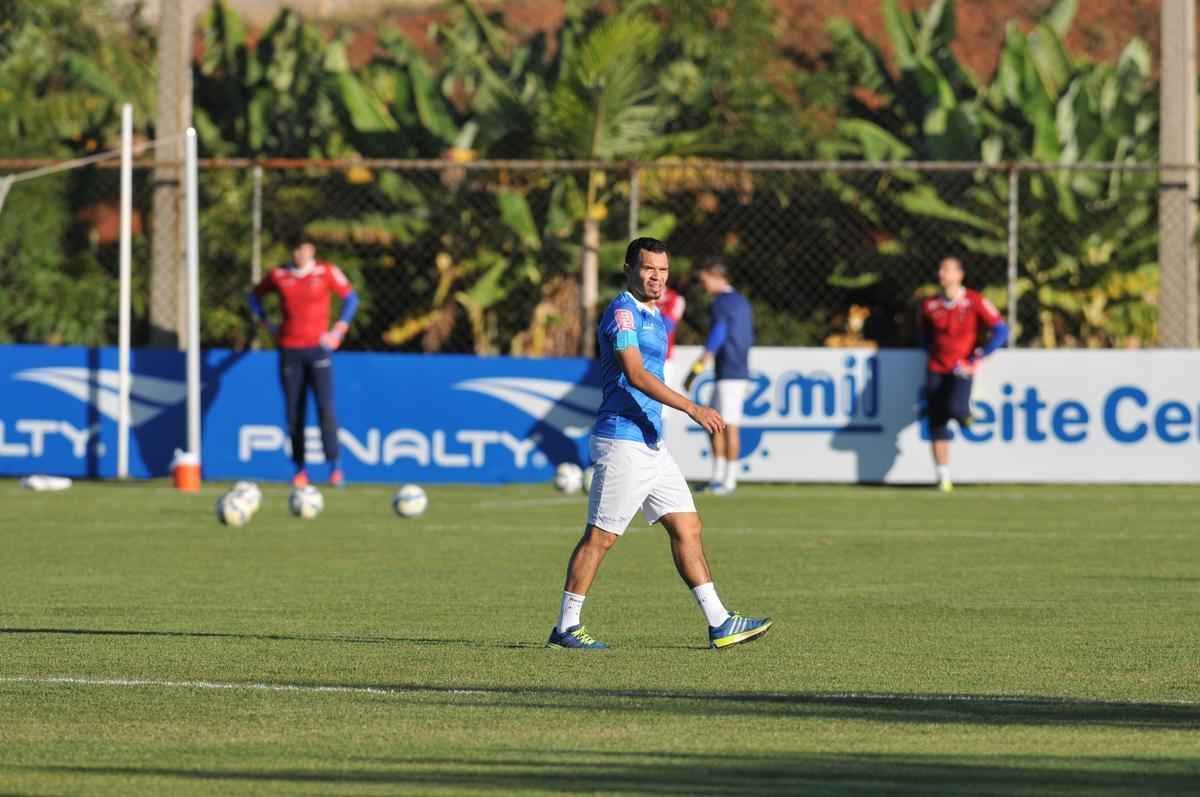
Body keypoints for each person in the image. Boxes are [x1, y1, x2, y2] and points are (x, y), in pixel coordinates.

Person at [546, 237, 772, 651]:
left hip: (651, 442)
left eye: (663, 270)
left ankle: (720, 621)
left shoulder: (654, 315)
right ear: (630, 267)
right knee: (601, 537)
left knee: (687, 525)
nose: (657, 277)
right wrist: (691, 407)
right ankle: (566, 627)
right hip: (622, 440)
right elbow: (634, 374)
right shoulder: (623, 314)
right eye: (649, 268)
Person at [249, 240, 359, 488]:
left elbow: (351, 299)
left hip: (319, 350)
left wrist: (338, 331)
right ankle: (300, 469)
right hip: (290, 350)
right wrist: (267, 324)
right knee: (294, 412)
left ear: (313, 251)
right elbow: (254, 297)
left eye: (306, 249)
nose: (301, 253)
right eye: (297, 248)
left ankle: (335, 467)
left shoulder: (326, 272)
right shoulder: (279, 275)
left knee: (325, 408)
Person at [919, 256, 1008, 492]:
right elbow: (926, 335)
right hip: (936, 368)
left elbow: (1000, 331)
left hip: (961, 367)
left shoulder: (975, 301)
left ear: (959, 275)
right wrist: (930, 353)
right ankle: (943, 476)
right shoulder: (929, 305)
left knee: (956, 410)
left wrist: (978, 357)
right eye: (940, 269)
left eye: (947, 269)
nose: (942, 274)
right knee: (936, 421)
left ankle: (967, 414)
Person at [683, 258, 754, 495]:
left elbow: (719, 333)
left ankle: (729, 480)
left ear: (715, 276)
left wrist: (698, 366)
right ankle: (717, 478)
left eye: (704, 280)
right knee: (714, 424)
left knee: (729, 426)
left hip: (730, 374)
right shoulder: (740, 301)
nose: (703, 285)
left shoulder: (722, 302)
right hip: (732, 371)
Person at [656, 284, 686, 387]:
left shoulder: (676, 298)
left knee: (663, 397)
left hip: (664, 358)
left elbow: (668, 326)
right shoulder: (637, 297)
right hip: (640, 357)